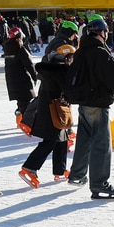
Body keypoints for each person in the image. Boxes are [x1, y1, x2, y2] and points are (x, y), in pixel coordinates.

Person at [65, 15, 114, 200]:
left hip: (84, 103)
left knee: (84, 140)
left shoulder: (82, 51)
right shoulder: (99, 53)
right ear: (101, 33)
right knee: (101, 145)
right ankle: (99, 184)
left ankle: (77, 175)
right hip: (98, 104)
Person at [18, 43, 76, 187]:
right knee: (50, 141)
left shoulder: (51, 68)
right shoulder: (60, 70)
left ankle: (60, 170)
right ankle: (29, 168)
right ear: (66, 57)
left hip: (51, 109)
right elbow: (68, 91)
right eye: (71, 58)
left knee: (62, 138)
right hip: (53, 111)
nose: (72, 61)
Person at [2, 26, 38, 132]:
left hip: (11, 79)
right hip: (22, 79)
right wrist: (35, 76)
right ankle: (26, 123)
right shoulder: (20, 49)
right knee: (26, 101)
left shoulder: (7, 48)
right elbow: (29, 64)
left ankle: (20, 118)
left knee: (21, 101)